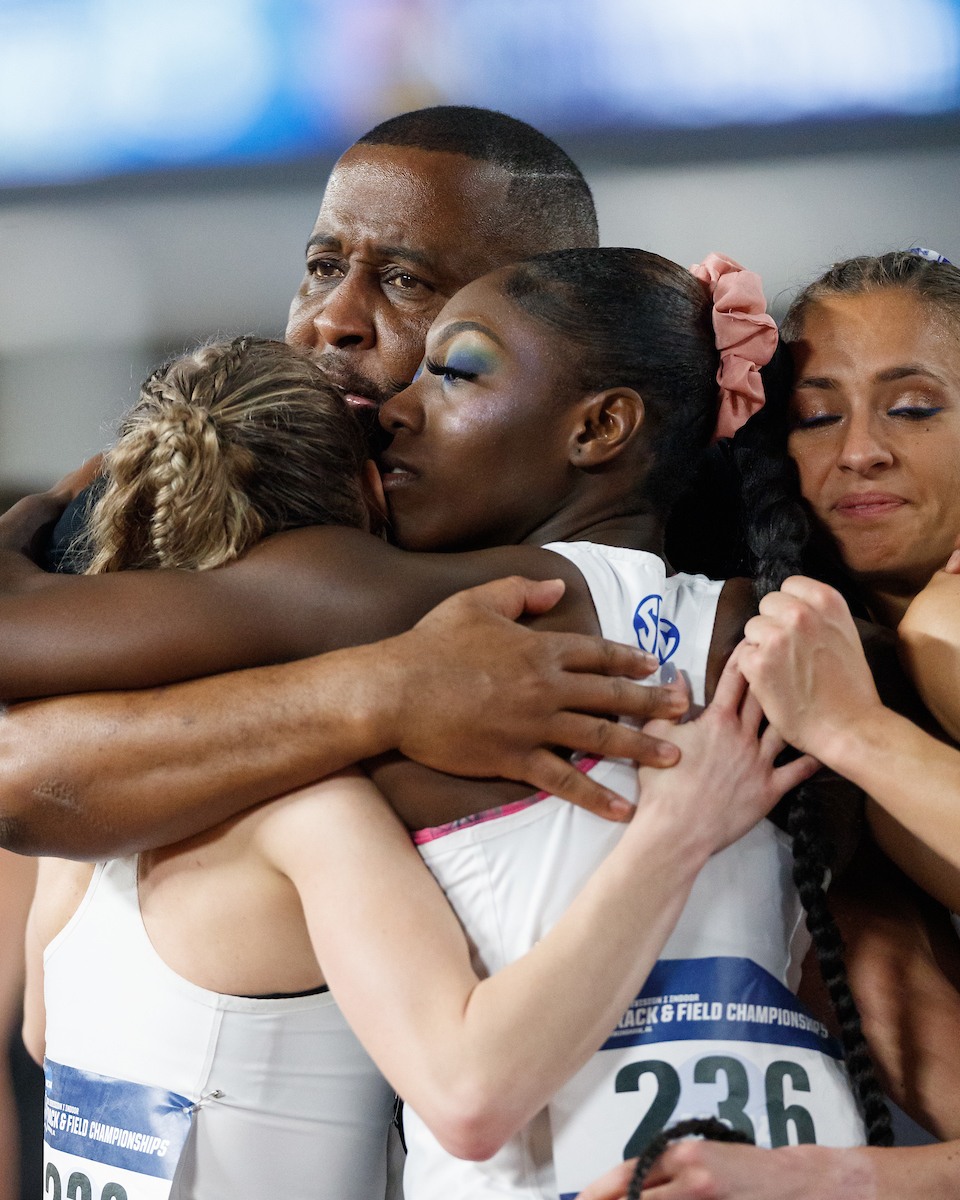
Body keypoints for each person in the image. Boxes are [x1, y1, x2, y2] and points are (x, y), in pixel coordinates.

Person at [11, 247, 886, 1196]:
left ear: (599, 426)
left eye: (454, 369)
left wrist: (54, 507)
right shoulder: (786, 631)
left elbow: (25, 677)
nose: (396, 407)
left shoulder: (434, 610)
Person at [598, 248, 960, 1199]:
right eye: (818, 415)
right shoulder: (806, 636)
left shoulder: (937, 629)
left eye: (914, 406)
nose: (861, 450)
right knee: (836, 913)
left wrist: (853, 731)